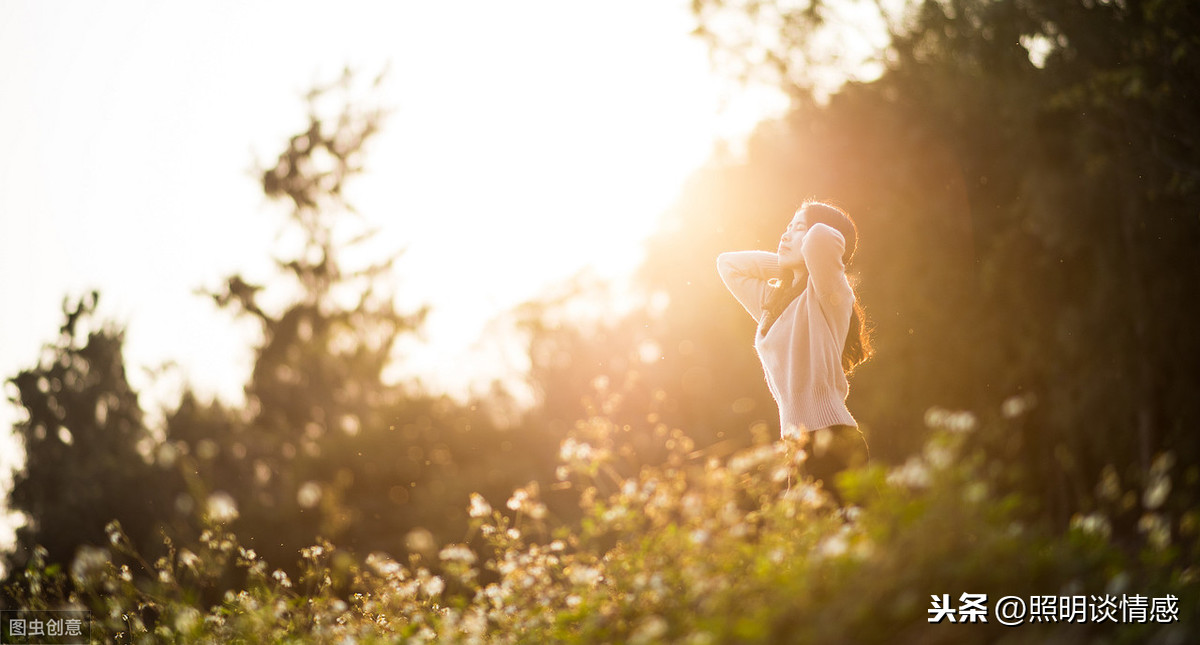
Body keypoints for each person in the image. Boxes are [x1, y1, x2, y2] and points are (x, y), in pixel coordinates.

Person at [717, 200, 873, 498]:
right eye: (786, 228)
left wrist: (797, 256)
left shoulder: (829, 292)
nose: (785, 235)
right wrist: (786, 263)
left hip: (834, 438)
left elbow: (821, 239)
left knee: (859, 542)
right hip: (795, 448)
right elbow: (728, 265)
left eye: (797, 228)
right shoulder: (772, 301)